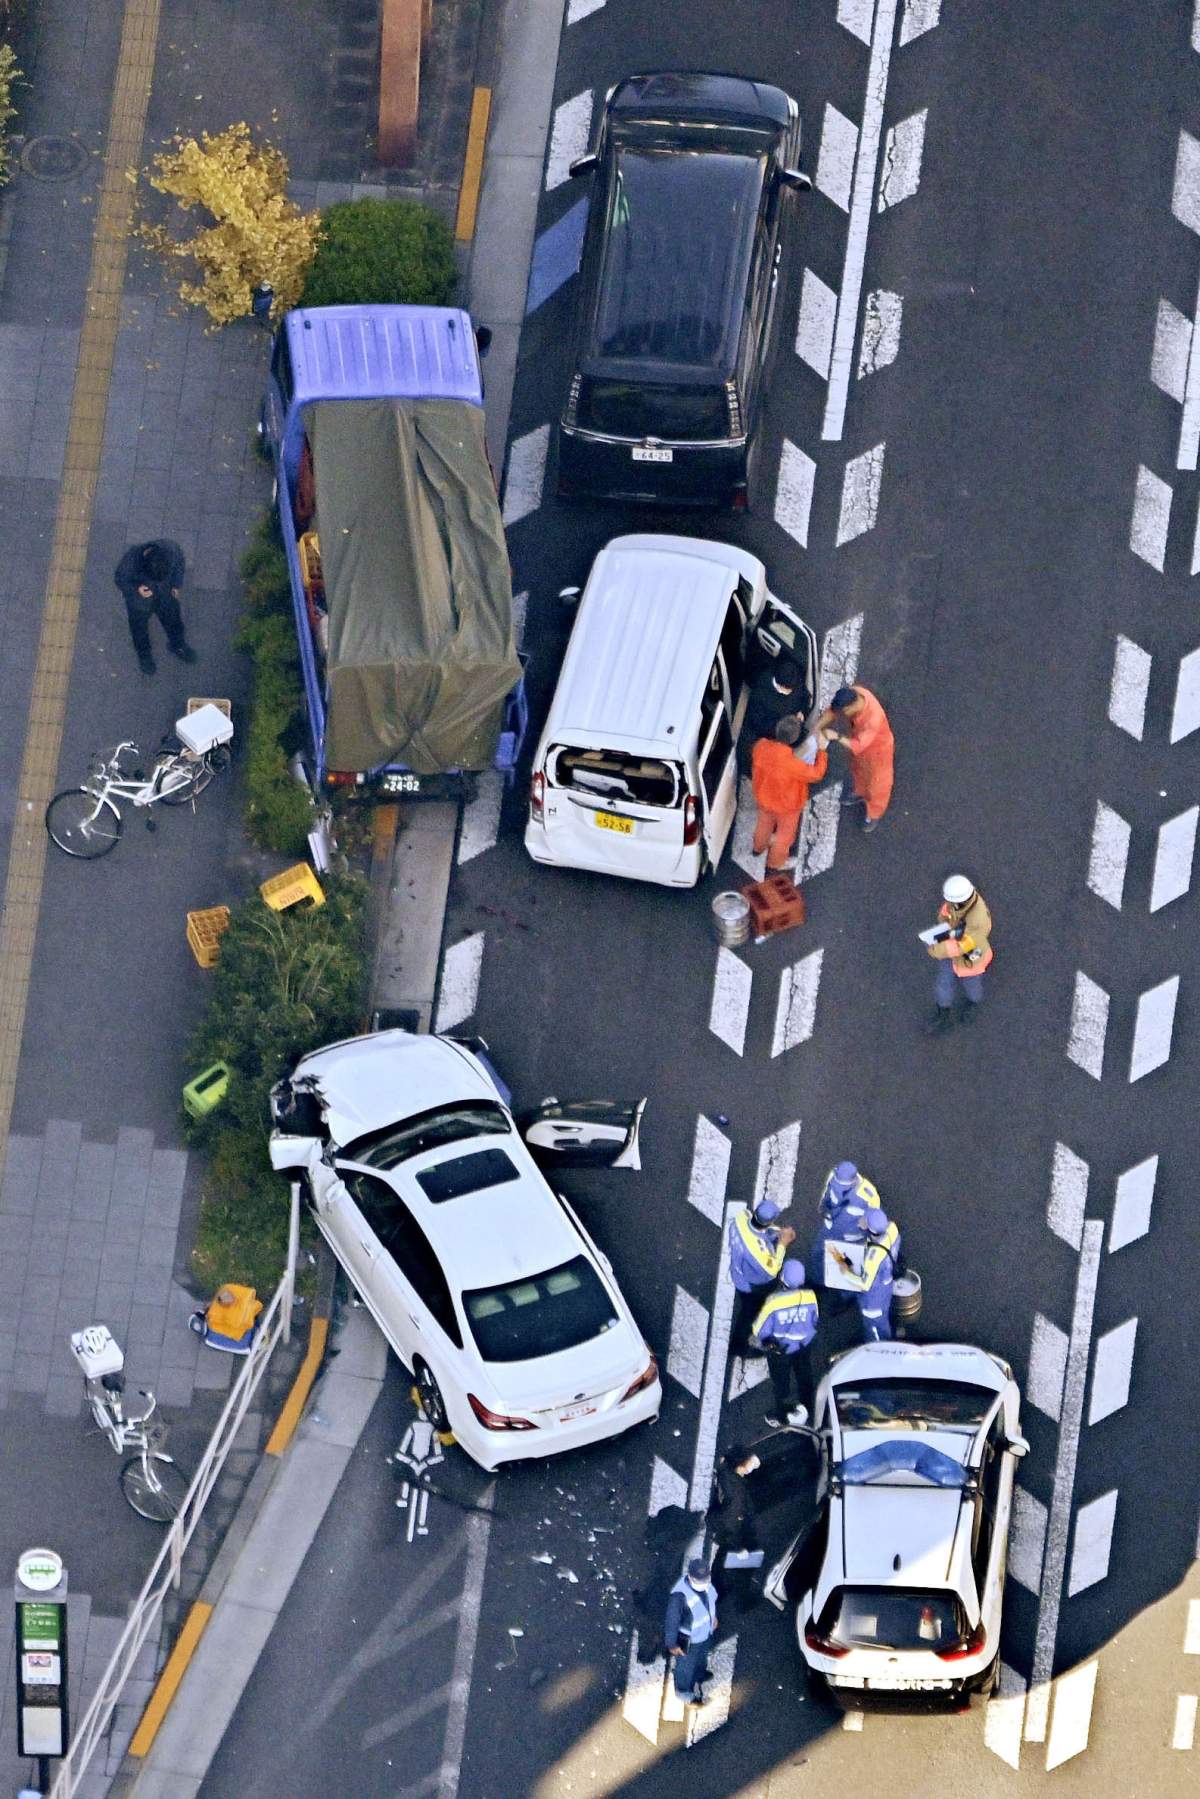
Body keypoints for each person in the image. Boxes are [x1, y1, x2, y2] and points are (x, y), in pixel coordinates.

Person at [750, 716, 828, 870]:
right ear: (794, 739)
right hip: (787, 806)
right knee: (784, 837)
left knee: (763, 824)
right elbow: (816, 774)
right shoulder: (793, 765)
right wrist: (822, 752)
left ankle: (758, 847)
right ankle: (776, 862)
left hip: (764, 797)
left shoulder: (760, 747)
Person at [818, 1204, 902, 1342]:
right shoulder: (892, 1229)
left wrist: (846, 1272)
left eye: (865, 1220)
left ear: (870, 1230)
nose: (861, 1220)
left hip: (874, 1297)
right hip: (885, 1281)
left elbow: (864, 1283)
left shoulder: (873, 1257)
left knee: (875, 1328)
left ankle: (880, 1348)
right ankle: (846, 1297)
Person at [751, 1259, 819, 1429]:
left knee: (781, 1383)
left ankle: (782, 1414)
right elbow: (814, 1319)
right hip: (803, 1346)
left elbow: (759, 1329)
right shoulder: (810, 1296)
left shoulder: (774, 1302)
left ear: (783, 1278)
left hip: (781, 1350)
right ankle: (809, 1407)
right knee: (805, 1376)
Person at [113, 539, 196, 676]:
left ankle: (178, 645)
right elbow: (120, 579)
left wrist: (176, 583)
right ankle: (145, 657)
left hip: (165, 596)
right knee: (139, 631)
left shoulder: (171, 550)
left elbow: (180, 561)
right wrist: (136, 589)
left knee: (174, 623)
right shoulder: (131, 559)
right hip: (140, 603)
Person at [819, 683, 894, 832]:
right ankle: (859, 793)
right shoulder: (855, 693)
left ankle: (874, 813)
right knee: (858, 772)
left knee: (877, 785)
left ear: (850, 707)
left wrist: (836, 736)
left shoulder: (873, 719)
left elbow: (857, 746)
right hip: (863, 751)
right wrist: (816, 729)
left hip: (878, 754)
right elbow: (832, 712)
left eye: (844, 712)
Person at [924, 873, 993, 1034]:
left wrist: (936, 949)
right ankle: (943, 1015)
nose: (949, 904)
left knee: (972, 986)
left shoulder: (978, 919)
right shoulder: (958, 903)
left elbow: (964, 944)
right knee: (943, 984)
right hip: (955, 949)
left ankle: (973, 1003)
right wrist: (944, 925)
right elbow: (944, 914)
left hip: (970, 957)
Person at [727, 1198, 796, 1350]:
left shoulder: (741, 1217)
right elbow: (772, 1270)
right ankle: (737, 1344)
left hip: (739, 1272)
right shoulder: (757, 1253)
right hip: (751, 1285)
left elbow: (759, 1233)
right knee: (748, 1313)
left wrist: (777, 1233)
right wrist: (782, 1244)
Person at [664, 1557, 718, 1704]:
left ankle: (699, 1674)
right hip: (689, 1641)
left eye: (705, 1579)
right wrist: (672, 1644)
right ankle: (683, 1691)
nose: (704, 1583)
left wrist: (714, 1618)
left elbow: (710, 1602)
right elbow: (671, 1621)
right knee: (685, 1667)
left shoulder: (707, 1584)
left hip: (705, 1634)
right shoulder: (679, 1596)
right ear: (690, 1577)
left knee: (701, 1658)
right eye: (700, 1580)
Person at [741, 656, 807, 773]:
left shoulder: (795, 679)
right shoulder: (761, 693)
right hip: (773, 733)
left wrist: (802, 711)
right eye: (789, 689)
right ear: (780, 685)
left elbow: (803, 697)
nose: (792, 692)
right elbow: (758, 723)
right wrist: (784, 728)